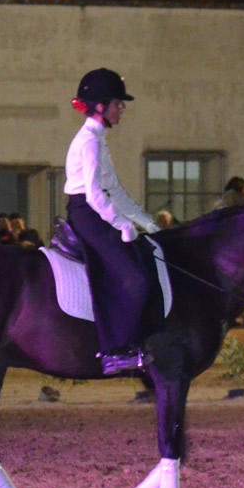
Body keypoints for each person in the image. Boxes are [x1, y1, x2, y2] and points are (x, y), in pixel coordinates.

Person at [64, 67, 160, 374]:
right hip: (87, 211)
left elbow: (114, 190)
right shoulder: (89, 142)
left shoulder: (98, 139)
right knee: (134, 278)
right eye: (118, 103)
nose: (122, 109)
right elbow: (95, 194)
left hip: (96, 208)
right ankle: (115, 351)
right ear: (101, 106)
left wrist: (146, 221)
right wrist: (122, 224)